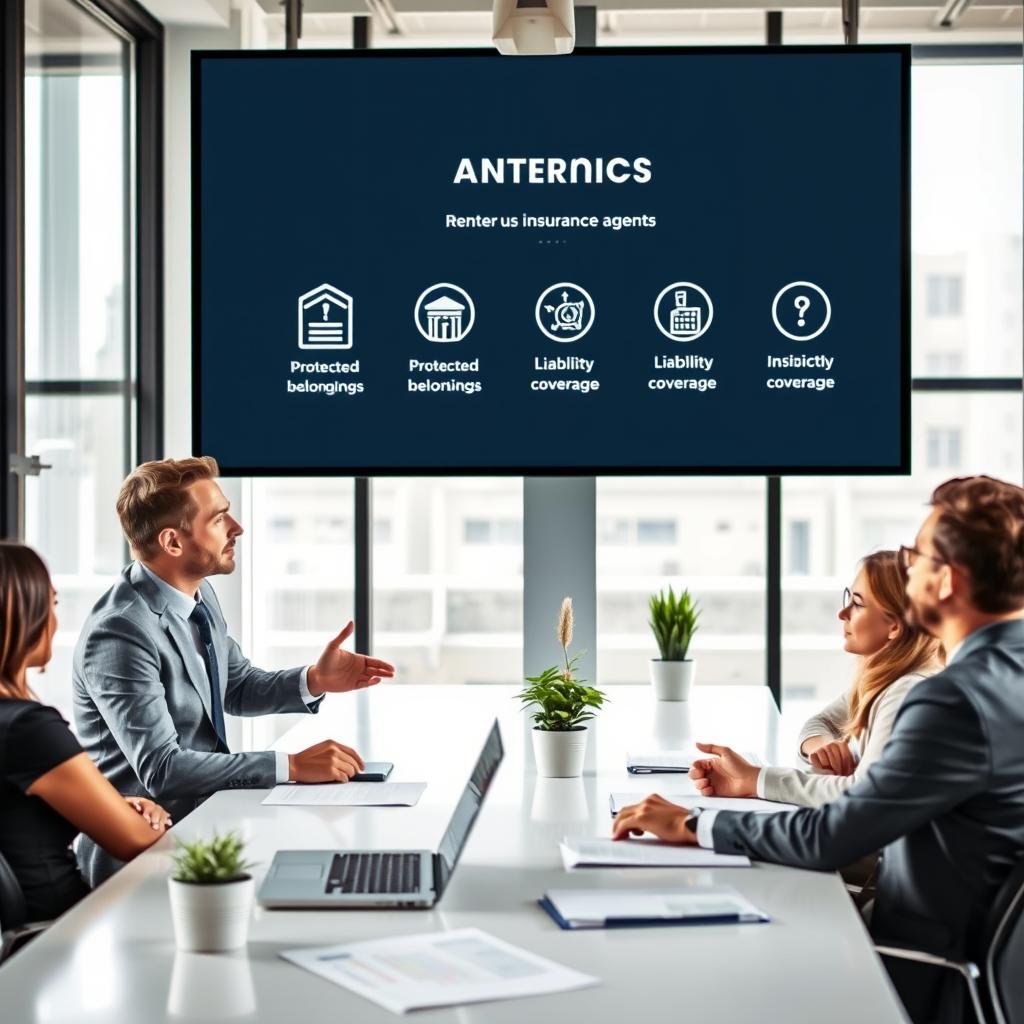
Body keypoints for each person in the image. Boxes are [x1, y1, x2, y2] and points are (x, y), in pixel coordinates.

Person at [613, 475, 1024, 1024]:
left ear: (947, 580)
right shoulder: (1005, 677)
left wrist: (692, 823)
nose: (910, 567)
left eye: (916, 555)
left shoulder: (949, 701)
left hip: (916, 969)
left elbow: (831, 836)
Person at [73, 457, 395, 886]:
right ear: (172, 542)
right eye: (220, 518)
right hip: (142, 856)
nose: (237, 528)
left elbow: (236, 685)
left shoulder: (196, 594)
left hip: (203, 829)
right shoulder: (120, 632)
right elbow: (163, 768)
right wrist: (290, 767)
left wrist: (315, 679)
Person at [691, 550, 942, 808]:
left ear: (894, 626)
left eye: (857, 603)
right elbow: (819, 723)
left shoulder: (906, 691)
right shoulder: (883, 681)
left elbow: (862, 794)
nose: (842, 613)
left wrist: (754, 780)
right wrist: (823, 746)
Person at [0, 543, 171, 922]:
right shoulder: (27, 728)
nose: (54, 620)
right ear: (23, 616)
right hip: (61, 932)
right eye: (53, 604)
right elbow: (135, 841)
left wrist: (111, 807)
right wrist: (137, 817)